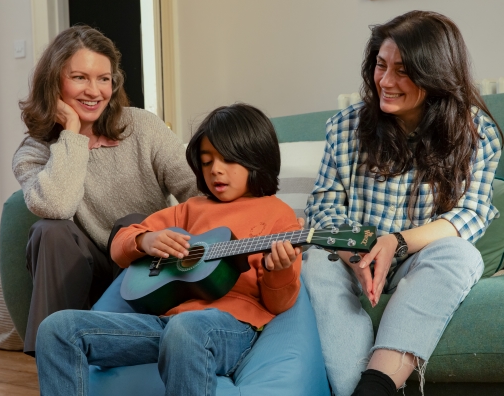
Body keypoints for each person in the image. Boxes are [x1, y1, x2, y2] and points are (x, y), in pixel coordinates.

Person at [34, 103, 303, 395]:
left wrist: (280, 269)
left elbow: (280, 304)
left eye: (228, 160)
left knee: (186, 328)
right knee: (56, 329)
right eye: (207, 161)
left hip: (229, 328)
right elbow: (123, 243)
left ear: (256, 159)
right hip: (165, 324)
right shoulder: (191, 209)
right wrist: (145, 241)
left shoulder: (279, 214)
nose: (216, 170)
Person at [301, 11, 503, 396]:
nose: (386, 82)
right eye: (381, 65)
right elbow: (323, 209)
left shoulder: (476, 133)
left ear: (435, 75)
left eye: (403, 71)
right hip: (352, 255)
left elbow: (470, 214)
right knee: (314, 261)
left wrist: (398, 241)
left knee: (462, 256)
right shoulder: (345, 126)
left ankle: (375, 389)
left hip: (416, 255)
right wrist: (358, 253)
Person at [13, 25, 197, 356]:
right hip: (78, 277)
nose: (94, 91)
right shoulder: (33, 152)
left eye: (104, 78)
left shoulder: (142, 126)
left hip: (145, 269)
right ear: (54, 82)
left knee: (133, 222)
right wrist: (72, 134)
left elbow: (195, 188)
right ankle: (55, 358)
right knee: (49, 231)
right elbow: (56, 206)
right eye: (80, 77)